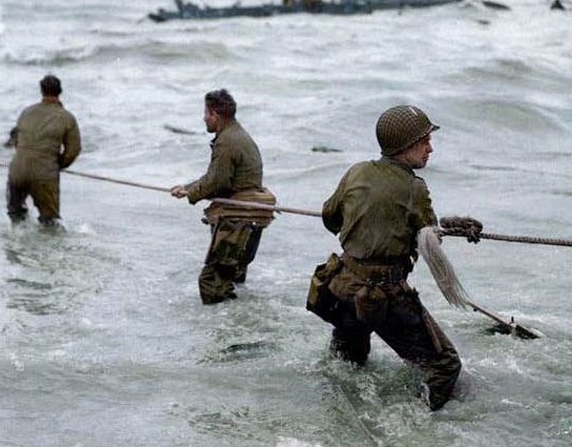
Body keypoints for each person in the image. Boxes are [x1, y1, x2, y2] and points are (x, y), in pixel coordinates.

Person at [305, 105, 462, 411]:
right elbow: (428, 233)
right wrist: (458, 225)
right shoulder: (414, 188)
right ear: (404, 148)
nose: (430, 148)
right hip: (383, 297)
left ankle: (339, 412)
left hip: (342, 288)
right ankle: (421, 430)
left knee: (348, 358)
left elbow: (330, 217)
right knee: (444, 367)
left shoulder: (357, 171)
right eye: (424, 142)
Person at [171, 89, 275, 304]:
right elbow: (217, 177)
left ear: (215, 116)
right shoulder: (238, 134)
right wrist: (187, 187)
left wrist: (192, 193)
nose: (203, 118)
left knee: (211, 282)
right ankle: (241, 328)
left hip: (238, 221)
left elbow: (218, 182)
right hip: (250, 219)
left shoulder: (226, 142)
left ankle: (221, 336)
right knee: (233, 278)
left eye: (205, 113)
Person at [6, 74, 81, 226]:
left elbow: (16, 140)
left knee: (15, 216)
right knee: (50, 223)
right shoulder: (67, 118)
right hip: (44, 175)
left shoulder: (26, 112)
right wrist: (58, 165)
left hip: (17, 171)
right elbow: (73, 150)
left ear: (41, 91)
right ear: (60, 92)